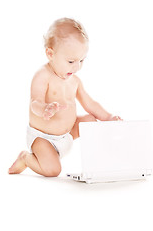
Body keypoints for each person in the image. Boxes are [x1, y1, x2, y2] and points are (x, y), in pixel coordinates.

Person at [8, 18, 122, 177]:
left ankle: (100, 162)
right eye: (71, 61)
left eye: (82, 60)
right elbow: (35, 102)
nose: (77, 67)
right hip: (43, 138)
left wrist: (109, 117)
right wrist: (44, 109)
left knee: (90, 120)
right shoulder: (43, 76)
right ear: (50, 54)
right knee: (53, 170)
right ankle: (26, 158)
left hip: (67, 135)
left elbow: (90, 103)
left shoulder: (74, 81)